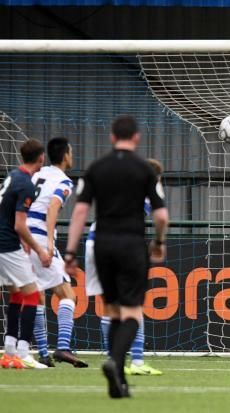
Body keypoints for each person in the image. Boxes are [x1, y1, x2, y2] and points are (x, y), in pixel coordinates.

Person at [64, 115, 169, 398]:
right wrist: (159, 242)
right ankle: (117, 361)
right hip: (132, 244)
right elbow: (161, 214)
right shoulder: (145, 171)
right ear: (136, 138)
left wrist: (70, 251)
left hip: (101, 245)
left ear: (112, 137)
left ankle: (118, 379)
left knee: (111, 309)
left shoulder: (96, 168)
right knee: (133, 311)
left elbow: (80, 213)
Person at [85, 158, 164, 376]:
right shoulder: (148, 189)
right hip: (121, 245)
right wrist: (159, 242)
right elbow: (160, 217)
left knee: (109, 305)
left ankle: (113, 358)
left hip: (94, 242)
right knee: (133, 304)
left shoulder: (118, 185)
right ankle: (137, 361)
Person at [26, 137, 88, 368]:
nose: (72, 156)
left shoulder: (36, 174)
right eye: (71, 152)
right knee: (68, 294)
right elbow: (52, 206)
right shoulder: (63, 181)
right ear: (65, 155)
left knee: (36, 295)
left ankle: (43, 353)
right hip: (40, 238)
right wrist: (50, 242)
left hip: (21, 237)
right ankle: (62, 347)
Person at [0, 139, 51, 369]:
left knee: (17, 292)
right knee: (33, 294)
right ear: (41, 158)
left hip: (5, 241)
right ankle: (23, 352)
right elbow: (20, 224)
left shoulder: (13, 175)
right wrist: (40, 250)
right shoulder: (27, 185)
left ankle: (9, 352)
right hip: (7, 244)